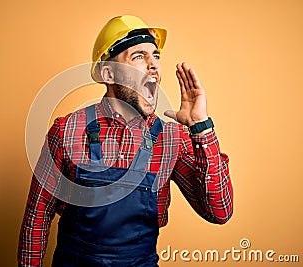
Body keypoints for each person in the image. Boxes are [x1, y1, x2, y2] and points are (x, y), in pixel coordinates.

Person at [18, 15, 233, 267]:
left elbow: (219, 212)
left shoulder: (173, 139)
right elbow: (37, 216)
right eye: (138, 56)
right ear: (109, 73)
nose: (153, 65)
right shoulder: (68, 131)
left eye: (156, 56)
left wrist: (201, 128)